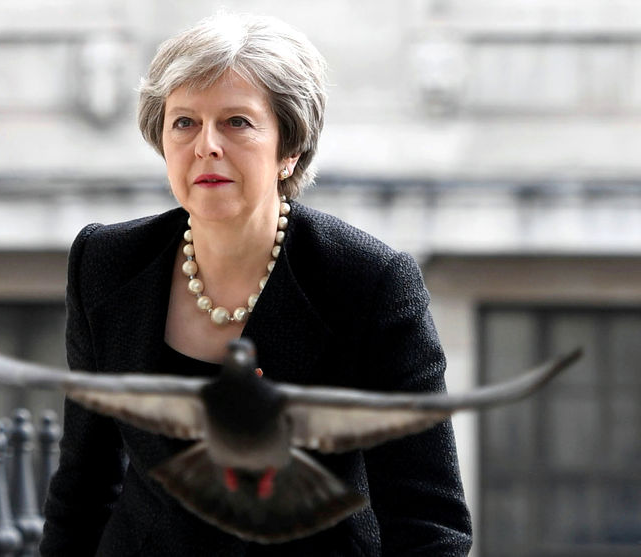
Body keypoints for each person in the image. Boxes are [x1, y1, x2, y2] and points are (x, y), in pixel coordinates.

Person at [40, 12, 472, 556]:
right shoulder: (105, 264)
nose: (207, 146)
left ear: (289, 147)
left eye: (237, 122)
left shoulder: (369, 284)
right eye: (184, 122)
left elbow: (428, 522)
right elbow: (82, 490)